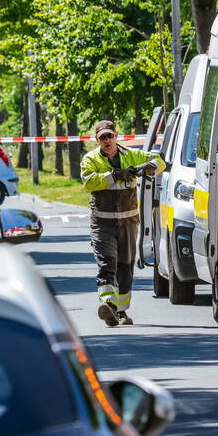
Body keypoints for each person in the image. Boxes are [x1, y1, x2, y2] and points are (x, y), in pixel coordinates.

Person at [80, 120, 165, 327]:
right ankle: (107, 303)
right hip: (102, 223)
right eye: (102, 138)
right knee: (107, 263)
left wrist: (149, 166)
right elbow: (89, 182)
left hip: (128, 222)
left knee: (125, 268)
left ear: (116, 136)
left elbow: (160, 161)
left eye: (110, 136)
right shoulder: (90, 159)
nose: (107, 141)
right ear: (97, 140)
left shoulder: (131, 155)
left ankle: (120, 312)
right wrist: (115, 175)